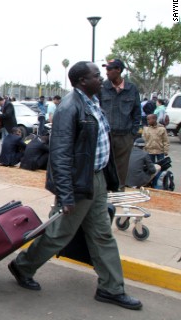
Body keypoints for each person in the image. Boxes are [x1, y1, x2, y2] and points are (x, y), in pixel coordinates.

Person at [8, 61, 142, 311]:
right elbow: (59, 154)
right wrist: (66, 194)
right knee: (60, 233)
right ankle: (23, 266)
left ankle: (111, 288)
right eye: (95, 75)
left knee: (102, 234)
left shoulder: (93, 101)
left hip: (97, 178)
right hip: (78, 181)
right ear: (82, 81)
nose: (100, 78)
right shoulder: (69, 108)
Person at [98, 59, 141, 191]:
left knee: (121, 168)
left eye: (110, 69)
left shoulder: (131, 89)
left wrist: (132, 134)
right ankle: (103, 193)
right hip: (106, 136)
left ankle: (118, 192)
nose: (107, 72)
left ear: (118, 70)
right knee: (103, 166)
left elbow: (137, 113)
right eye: (106, 69)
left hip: (124, 137)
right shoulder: (102, 88)